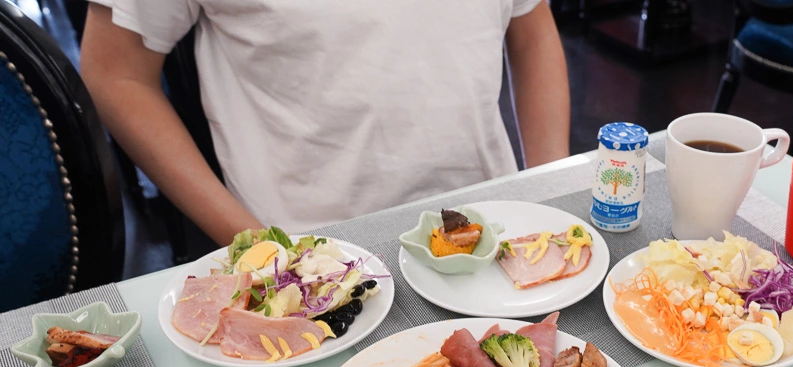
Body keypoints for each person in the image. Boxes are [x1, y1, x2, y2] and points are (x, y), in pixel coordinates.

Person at [80, 1, 571, 246]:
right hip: (311, 249)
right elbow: (116, 71)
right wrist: (253, 242)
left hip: (494, 224)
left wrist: (553, 195)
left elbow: (530, 26)